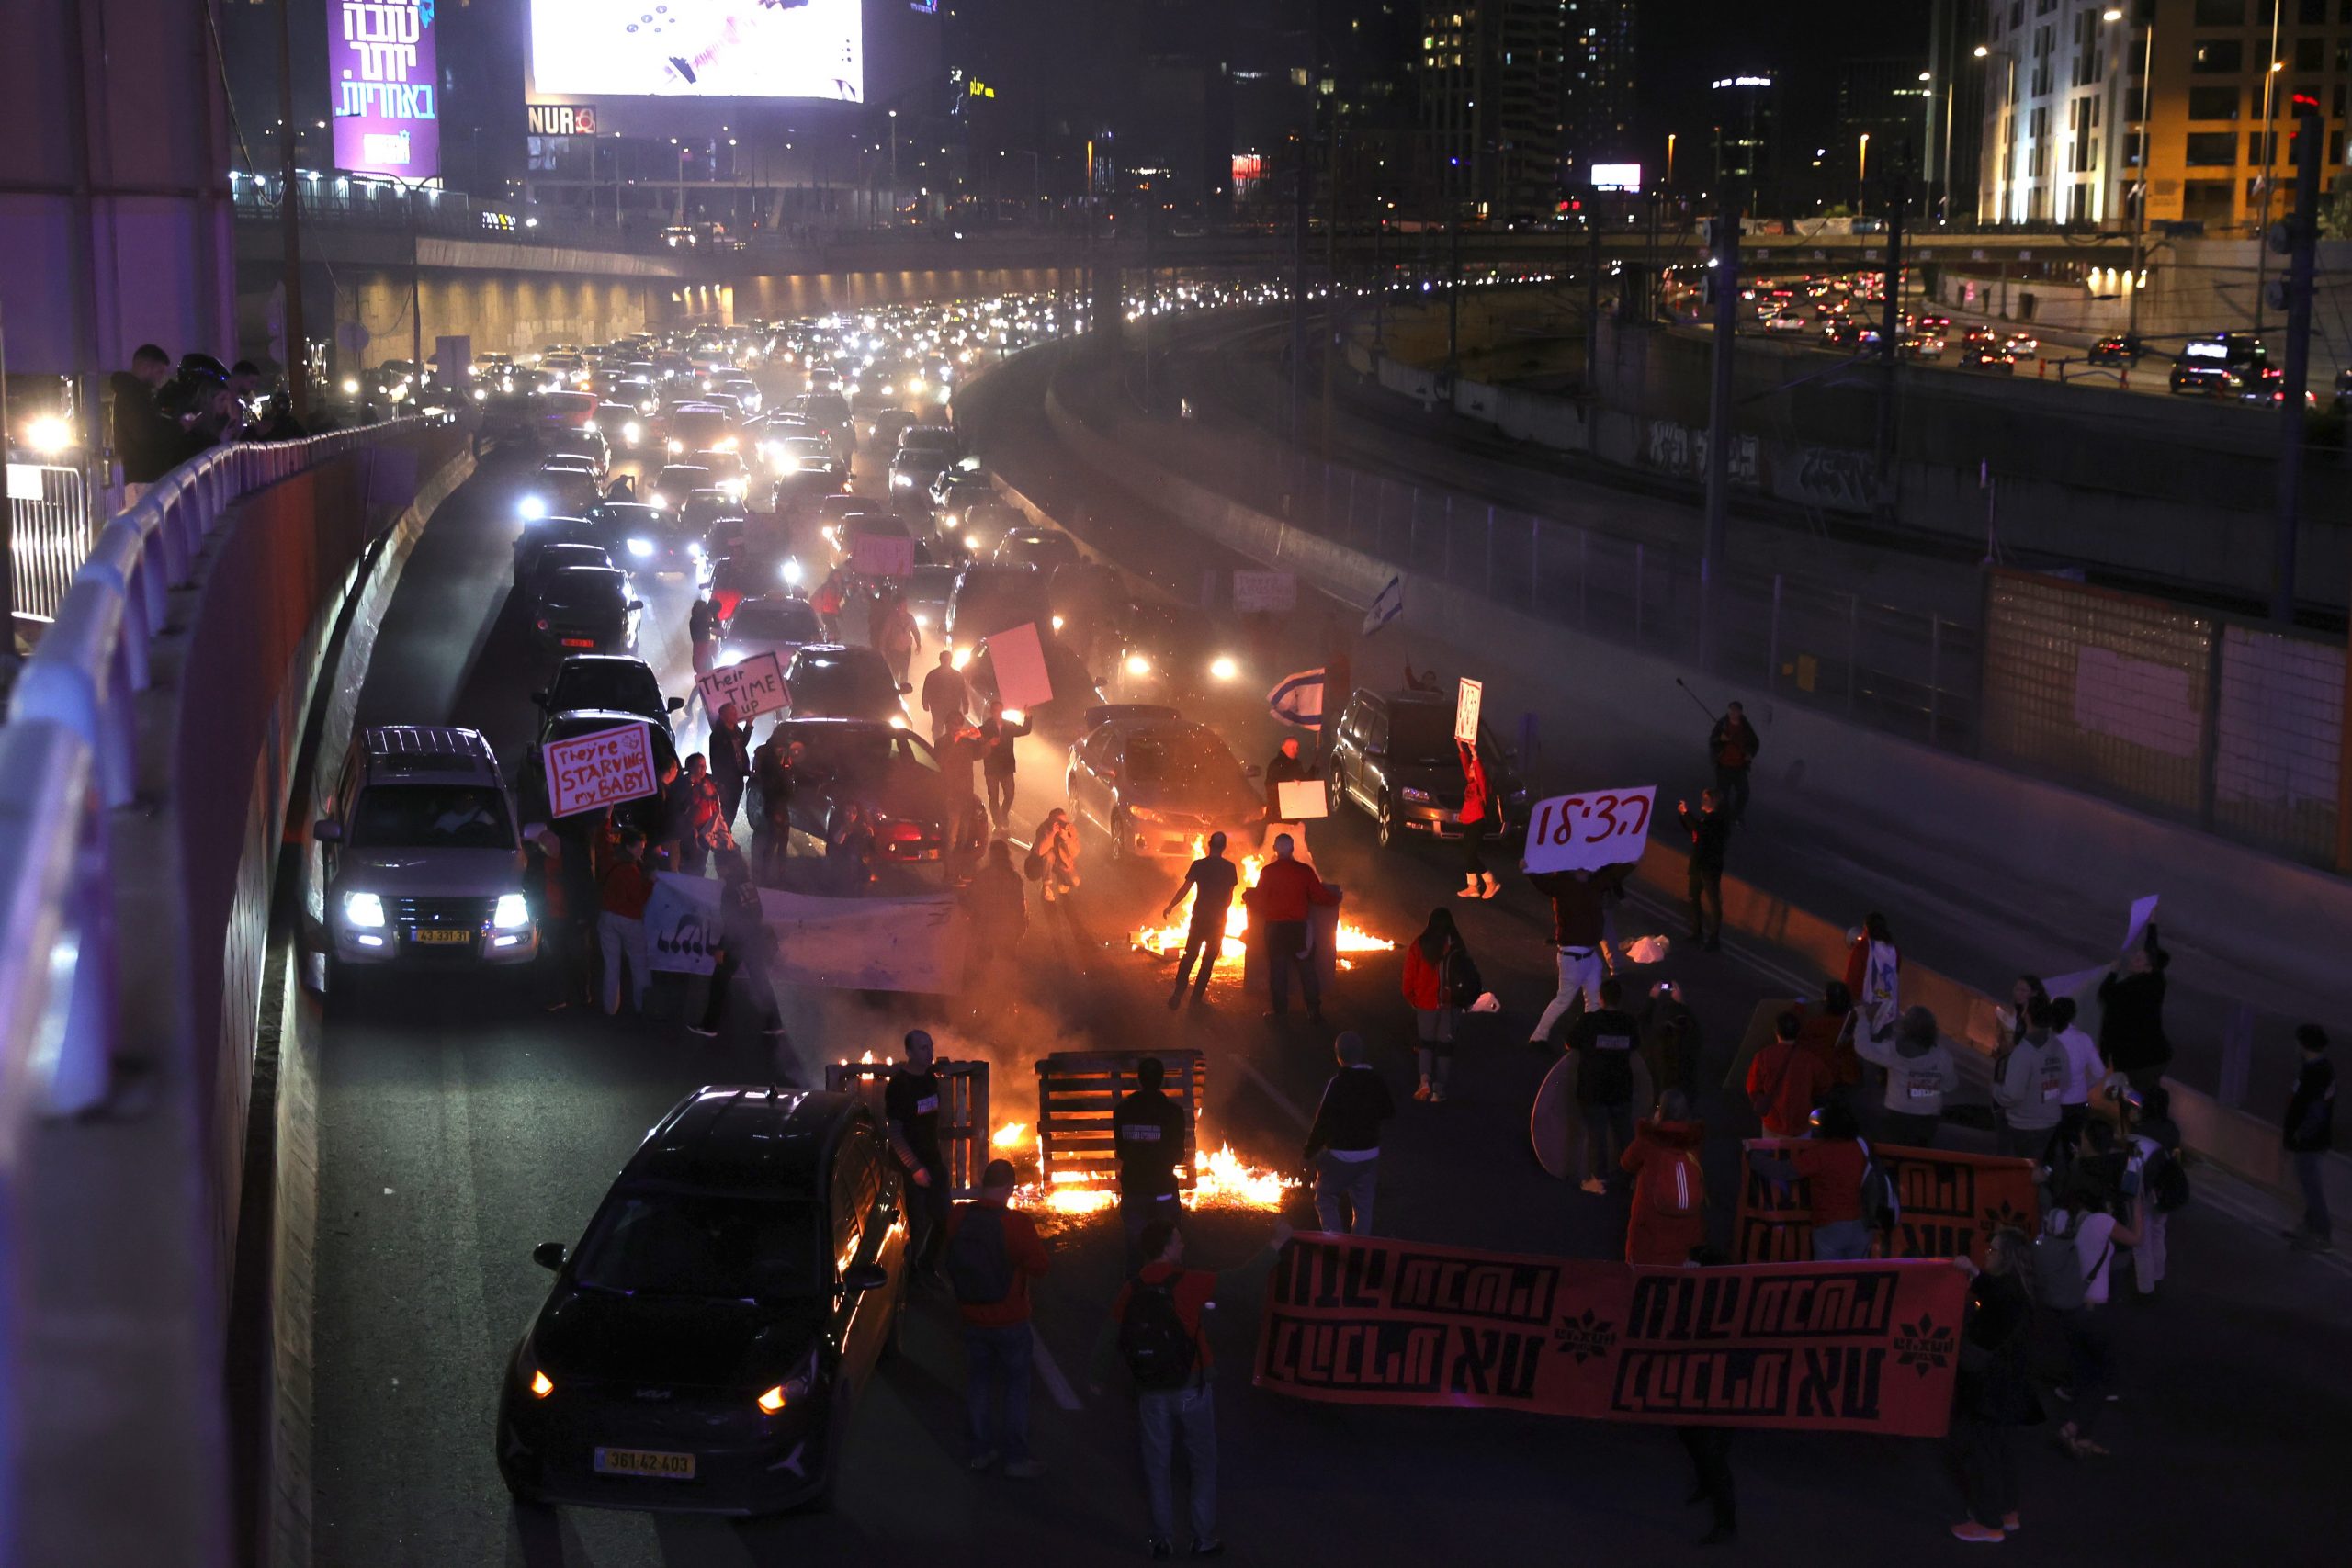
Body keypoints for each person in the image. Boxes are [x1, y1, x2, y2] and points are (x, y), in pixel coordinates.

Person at [1088, 1216, 1294, 1560]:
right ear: (1167, 1248)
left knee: (1157, 1465)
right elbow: (1241, 1280)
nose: (1183, 1245)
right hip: (1191, 1387)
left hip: (1151, 1390)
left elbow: (1110, 1335)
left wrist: (1096, 1376)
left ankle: (1161, 1539)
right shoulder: (1189, 1282)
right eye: (1178, 1240)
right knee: (1202, 1463)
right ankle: (1202, 1538)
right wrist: (1276, 1243)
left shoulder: (1131, 1288)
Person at [943, 1157, 1050, 1478]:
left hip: (971, 1316)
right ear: (1008, 1188)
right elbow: (1040, 1266)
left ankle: (980, 1452)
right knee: (1016, 1388)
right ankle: (1016, 1459)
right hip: (1010, 1320)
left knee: (978, 1383)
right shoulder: (1016, 1223)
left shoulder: (958, 1216)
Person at [1947, 1229, 2041, 1542]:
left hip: (1992, 1389)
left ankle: (1988, 1523)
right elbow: (1992, 1291)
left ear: (2007, 1257)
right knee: (2003, 1450)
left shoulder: (2005, 1298)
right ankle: (2007, 1511)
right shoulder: (2019, 1290)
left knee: (1981, 1452)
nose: (1988, 1253)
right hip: (2012, 1388)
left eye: (1994, 1250)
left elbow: (1982, 1341)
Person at [2044, 1183, 2143, 1459]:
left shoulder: (2059, 1220)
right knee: (2102, 1377)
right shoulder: (2100, 1222)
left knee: (2083, 1372)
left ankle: (2083, 1437)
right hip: (2094, 1311)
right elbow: (2136, 1238)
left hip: (2068, 1307)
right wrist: (2137, 1204)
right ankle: (2071, 1430)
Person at [1523, 861, 1633, 1049]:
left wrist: (1632, 863)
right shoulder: (1563, 885)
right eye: (1582, 867)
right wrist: (1528, 869)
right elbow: (1543, 884)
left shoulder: (1591, 883)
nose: (1587, 870)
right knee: (1564, 1000)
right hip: (1573, 957)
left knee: (1594, 1001)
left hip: (1588, 955)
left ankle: (1587, 1036)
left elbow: (1613, 876)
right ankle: (1538, 1037)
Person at [1747, 1100, 1873, 1261]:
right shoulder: (1861, 1148)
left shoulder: (1821, 1154)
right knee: (1857, 1274)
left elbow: (1784, 1171)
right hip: (1862, 1225)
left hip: (1830, 1225)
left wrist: (1751, 1156)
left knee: (1828, 1273)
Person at [686, 853, 786, 1045]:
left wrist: (722, 947)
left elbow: (731, 923)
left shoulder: (730, 890)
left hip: (737, 942)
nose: (717, 869)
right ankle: (775, 1023)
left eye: (718, 865)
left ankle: (709, 1026)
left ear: (727, 867)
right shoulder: (748, 884)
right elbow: (758, 913)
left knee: (719, 981)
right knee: (760, 981)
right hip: (753, 939)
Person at [1303, 1032, 1394, 1235]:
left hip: (1341, 1155)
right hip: (1369, 1154)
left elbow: (1323, 1122)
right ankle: (1359, 1247)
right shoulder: (1376, 1080)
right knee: (1363, 1206)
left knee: (1325, 1196)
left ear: (1339, 1056)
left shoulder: (1337, 1083)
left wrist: (1309, 1152)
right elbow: (1388, 1111)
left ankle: (1335, 1242)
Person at [1244, 833, 1339, 1023]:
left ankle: (1280, 1013)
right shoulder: (1304, 871)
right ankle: (1313, 1010)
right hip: (1298, 929)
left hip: (1275, 931)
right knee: (1307, 970)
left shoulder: (1268, 872)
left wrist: (1247, 898)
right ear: (1292, 849)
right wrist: (1335, 899)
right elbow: (1319, 896)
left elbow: (1260, 899)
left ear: (1275, 850)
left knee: (1278, 972)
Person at [1566, 977, 1642, 1194]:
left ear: (1600, 998)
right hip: (1621, 1089)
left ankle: (1599, 1181)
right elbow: (1636, 1046)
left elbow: (1570, 1043)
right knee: (1625, 1134)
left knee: (1597, 1136)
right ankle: (1634, 1178)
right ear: (1620, 999)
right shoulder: (1629, 1023)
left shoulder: (1589, 1021)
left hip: (1593, 1089)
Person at [886, 1030, 952, 1277]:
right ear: (909, 1052)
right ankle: (910, 1276)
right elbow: (895, 1133)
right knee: (915, 1222)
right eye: (924, 1048)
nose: (930, 1052)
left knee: (944, 1217)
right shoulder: (898, 1086)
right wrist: (914, 1168)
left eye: (931, 1046)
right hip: (910, 1168)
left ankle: (927, 1265)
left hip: (933, 1161)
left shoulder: (930, 1080)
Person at [1114, 1057, 1188, 1268]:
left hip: (1134, 1189)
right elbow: (1178, 1155)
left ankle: (1137, 1283)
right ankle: (1168, 1283)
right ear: (1161, 1079)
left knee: (1134, 1252)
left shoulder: (1123, 1110)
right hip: (1163, 1190)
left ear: (1139, 1079)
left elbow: (1121, 1151)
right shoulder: (1174, 1112)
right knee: (1169, 1248)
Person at [1621, 1091, 1707, 1265]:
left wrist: (1649, 1127)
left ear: (1660, 1112)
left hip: (1651, 1232)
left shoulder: (1648, 1139)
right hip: (1684, 1237)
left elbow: (1626, 1163)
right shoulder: (1692, 1142)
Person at [1400, 908, 1477, 1102]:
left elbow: (1408, 978)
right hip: (1450, 1005)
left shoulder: (1419, 945)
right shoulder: (1456, 945)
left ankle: (1424, 1081)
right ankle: (1439, 1090)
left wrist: (1413, 999)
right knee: (1445, 1048)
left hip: (1425, 1003)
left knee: (1425, 1044)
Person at [1856, 1004, 1953, 1148]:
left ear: (1905, 1027)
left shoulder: (1893, 1051)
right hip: (1928, 1118)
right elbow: (1949, 1085)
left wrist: (1862, 1016)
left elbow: (1863, 1047)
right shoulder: (1942, 1056)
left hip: (1898, 1115)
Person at [1162, 831, 1239, 1008]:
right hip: (1218, 921)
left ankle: (1178, 993)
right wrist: (1222, 913)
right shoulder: (1230, 867)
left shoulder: (1198, 865)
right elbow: (1229, 896)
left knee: (1190, 955)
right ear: (1224, 847)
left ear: (1209, 844)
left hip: (1199, 918)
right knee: (1208, 961)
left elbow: (1185, 889)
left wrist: (1171, 906)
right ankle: (1196, 999)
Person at [2098, 925, 2172, 1096]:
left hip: (2136, 1062)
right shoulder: (2157, 981)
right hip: (2159, 1055)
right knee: (2149, 1093)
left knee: (2135, 1096)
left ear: (2148, 968)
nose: (2132, 959)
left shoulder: (2126, 990)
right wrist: (2152, 925)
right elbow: (2151, 951)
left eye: (2138, 960)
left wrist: (2113, 972)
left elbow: (2105, 995)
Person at [1991, 997, 2066, 1162]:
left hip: (2024, 1126)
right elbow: (2065, 1083)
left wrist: (1996, 1089)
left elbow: (2012, 1095)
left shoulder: (2023, 1053)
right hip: (2050, 1123)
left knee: (2015, 1169)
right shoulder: (2058, 1047)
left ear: (2028, 1016)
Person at [525, 825, 590, 1012]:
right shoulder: (537, 862)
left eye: (555, 845)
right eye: (549, 847)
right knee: (556, 959)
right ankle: (561, 997)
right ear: (542, 848)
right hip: (551, 918)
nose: (554, 849)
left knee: (578, 958)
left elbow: (585, 887)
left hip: (572, 918)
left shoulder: (573, 858)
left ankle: (583, 994)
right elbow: (530, 887)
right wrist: (536, 911)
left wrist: (583, 914)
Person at [111, 344, 187, 501]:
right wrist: (179, 428)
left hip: (141, 478)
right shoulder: (132, 396)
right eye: (159, 372)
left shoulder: (134, 393)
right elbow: (147, 435)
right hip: (141, 480)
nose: (162, 378)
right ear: (145, 367)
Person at [2124, 1084, 2181, 1293]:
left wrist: (2127, 1194)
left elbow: (2133, 1170)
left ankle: (2145, 1288)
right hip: (2164, 1188)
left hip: (2144, 1191)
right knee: (2158, 1233)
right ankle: (2158, 1276)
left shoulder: (2139, 1134)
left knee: (2141, 1241)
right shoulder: (2172, 1129)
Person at [2284, 1023, 2335, 1253]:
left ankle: (2322, 1235)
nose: (2296, 1046)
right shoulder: (2319, 1068)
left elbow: (2315, 1111)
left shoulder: (2316, 1073)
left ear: (2304, 1045)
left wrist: (2301, 1133)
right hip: (2315, 1138)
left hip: (2309, 1140)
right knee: (2309, 1184)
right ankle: (2308, 1228)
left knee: (2311, 1187)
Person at [1747, 1010, 1832, 1139]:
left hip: (1773, 1122)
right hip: (1801, 1123)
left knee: (1771, 1151)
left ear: (1776, 1031)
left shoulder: (1763, 1056)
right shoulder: (1810, 1059)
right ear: (1798, 1032)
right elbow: (1825, 1084)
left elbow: (1752, 1088)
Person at [595, 829, 655, 1015]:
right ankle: (642, 1005)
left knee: (611, 964)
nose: (642, 851)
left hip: (606, 917)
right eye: (639, 847)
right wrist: (650, 883)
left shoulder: (611, 861)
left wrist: (606, 819)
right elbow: (638, 899)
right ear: (629, 848)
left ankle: (610, 1007)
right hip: (629, 920)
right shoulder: (632, 871)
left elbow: (602, 842)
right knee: (639, 962)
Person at [962, 838, 1028, 988]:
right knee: (1007, 962)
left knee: (983, 960)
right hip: (1008, 930)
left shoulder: (983, 875)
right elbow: (1021, 906)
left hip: (986, 929)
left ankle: (981, 985)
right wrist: (1018, 930)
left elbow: (970, 899)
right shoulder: (1015, 878)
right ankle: (1008, 989)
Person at [1677, 790, 1730, 951]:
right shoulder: (1705, 818)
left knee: (1713, 902)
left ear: (1714, 802)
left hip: (1709, 866)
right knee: (1694, 897)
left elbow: (1701, 830)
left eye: (1706, 799)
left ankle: (1714, 939)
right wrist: (1683, 816)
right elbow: (1694, 830)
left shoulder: (1717, 820)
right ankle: (1697, 932)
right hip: (1698, 864)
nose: (1702, 801)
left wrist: (1687, 814)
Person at [2049, 996, 2103, 1153]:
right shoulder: (2083, 1039)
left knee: (2048, 1149)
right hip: (2078, 1103)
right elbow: (2099, 1071)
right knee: (2073, 1150)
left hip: (2051, 1103)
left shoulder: (2048, 1040)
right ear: (2073, 1015)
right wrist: (2085, 1087)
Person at [1844, 914, 1902, 1057]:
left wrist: (1848, 1000)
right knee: (1879, 1052)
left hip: (1865, 1007)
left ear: (1866, 929)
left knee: (1856, 1049)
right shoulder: (1895, 950)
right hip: (1887, 1008)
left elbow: (1852, 977)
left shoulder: (1863, 947)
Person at [1642, 980, 1704, 1103]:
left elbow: (1642, 1024)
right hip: (1686, 1096)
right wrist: (1682, 1004)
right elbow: (1696, 1031)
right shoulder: (1689, 1042)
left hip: (1658, 1094)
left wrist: (1652, 999)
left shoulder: (1657, 1041)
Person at [1455, 739, 1499, 898]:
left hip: (1478, 821)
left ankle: (1490, 881)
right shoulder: (1471, 782)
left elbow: (1479, 771)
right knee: (1467, 853)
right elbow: (1465, 766)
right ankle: (1472, 886)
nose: (1470, 769)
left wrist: (1474, 753)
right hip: (1468, 820)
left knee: (1471, 854)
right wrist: (1461, 748)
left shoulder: (1482, 786)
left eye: (1473, 768)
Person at [1261, 735, 1316, 863]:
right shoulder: (1276, 764)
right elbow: (1270, 785)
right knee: (1269, 852)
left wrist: (1314, 769)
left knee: (1301, 854)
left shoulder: (1297, 764)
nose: (1295, 750)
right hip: (1278, 819)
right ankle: (1264, 874)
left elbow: (1303, 784)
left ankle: (1309, 875)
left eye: (1297, 747)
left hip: (1294, 820)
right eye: (1292, 747)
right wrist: (1288, 784)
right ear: (1283, 747)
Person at [978, 701, 1033, 827]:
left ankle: (1003, 814)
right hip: (991, 767)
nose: (998, 713)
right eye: (995, 711)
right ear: (991, 712)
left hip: (1006, 767)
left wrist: (1028, 716)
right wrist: (988, 742)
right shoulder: (985, 728)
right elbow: (978, 742)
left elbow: (1024, 730)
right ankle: (997, 822)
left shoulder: (1008, 725)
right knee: (993, 797)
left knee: (1010, 794)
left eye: (1000, 711)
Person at [752, 731, 797, 882]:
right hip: (774, 807)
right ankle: (765, 874)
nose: (782, 751)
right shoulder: (770, 765)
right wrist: (775, 811)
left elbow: (787, 784)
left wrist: (787, 767)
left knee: (783, 841)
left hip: (781, 806)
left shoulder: (780, 763)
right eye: (780, 748)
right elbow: (771, 789)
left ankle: (780, 873)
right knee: (773, 840)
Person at [1708, 700, 1759, 820]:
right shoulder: (1722, 724)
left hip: (1739, 767)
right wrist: (1720, 738)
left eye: (1735, 710)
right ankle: (1722, 817)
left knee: (1744, 793)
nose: (1732, 712)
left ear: (1740, 712)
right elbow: (1712, 740)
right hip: (1723, 766)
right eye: (1730, 710)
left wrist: (1750, 754)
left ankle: (1736, 816)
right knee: (1722, 795)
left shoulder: (1745, 727)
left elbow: (1755, 743)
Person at [678, 753, 728, 876]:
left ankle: (699, 879)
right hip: (691, 832)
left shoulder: (708, 781)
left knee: (701, 862)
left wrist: (713, 794)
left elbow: (719, 798)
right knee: (690, 863)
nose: (703, 769)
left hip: (707, 830)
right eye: (699, 766)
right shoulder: (684, 784)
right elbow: (681, 807)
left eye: (704, 766)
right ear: (691, 767)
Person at [708, 702, 752, 837]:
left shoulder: (736, 730)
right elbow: (715, 760)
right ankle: (721, 835)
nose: (735, 714)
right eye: (731, 712)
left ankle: (725, 831)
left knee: (733, 806)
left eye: (735, 711)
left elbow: (743, 743)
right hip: (726, 780)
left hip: (738, 776)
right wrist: (718, 781)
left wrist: (749, 725)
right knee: (726, 808)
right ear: (722, 716)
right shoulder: (717, 735)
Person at [921, 649, 968, 744]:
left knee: (952, 729)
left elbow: (963, 691)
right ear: (940, 660)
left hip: (952, 707)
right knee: (937, 728)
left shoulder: (957, 676)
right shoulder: (933, 675)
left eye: (948, 659)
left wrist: (965, 704)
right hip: (937, 708)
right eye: (944, 659)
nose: (946, 661)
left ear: (951, 660)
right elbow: (926, 690)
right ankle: (938, 745)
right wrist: (925, 703)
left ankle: (950, 746)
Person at [827, 800, 876, 891]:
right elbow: (837, 842)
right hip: (837, 854)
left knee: (866, 873)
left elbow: (867, 846)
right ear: (843, 812)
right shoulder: (837, 821)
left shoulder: (860, 824)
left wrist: (869, 834)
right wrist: (844, 829)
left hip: (853, 856)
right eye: (848, 811)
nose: (851, 815)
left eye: (854, 812)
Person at [876, 588, 921, 687]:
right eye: (903, 605)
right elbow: (884, 634)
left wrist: (918, 644)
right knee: (895, 672)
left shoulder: (910, 618)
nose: (905, 607)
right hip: (894, 650)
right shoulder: (891, 618)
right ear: (898, 606)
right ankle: (895, 690)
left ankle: (903, 690)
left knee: (904, 671)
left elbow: (916, 632)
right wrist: (882, 648)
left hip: (906, 650)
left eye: (906, 605)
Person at [687, 596, 719, 709]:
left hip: (702, 653)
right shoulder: (697, 621)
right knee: (703, 681)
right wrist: (714, 613)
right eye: (704, 608)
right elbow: (717, 625)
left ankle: (702, 703)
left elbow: (716, 626)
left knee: (705, 680)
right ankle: (692, 704)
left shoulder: (696, 620)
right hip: (701, 654)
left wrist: (713, 613)